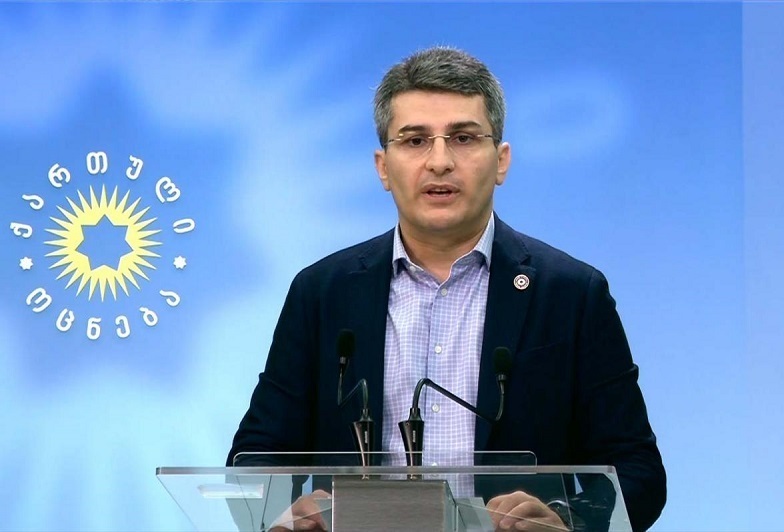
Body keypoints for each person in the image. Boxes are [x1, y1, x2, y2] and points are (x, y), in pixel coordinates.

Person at [228, 46, 666, 531]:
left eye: (463, 138)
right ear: (382, 167)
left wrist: (566, 520)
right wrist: (283, 515)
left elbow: (639, 472)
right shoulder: (322, 293)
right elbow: (255, 457)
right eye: (415, 140)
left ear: (501, 161)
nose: (439, 161)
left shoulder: (571, 294)